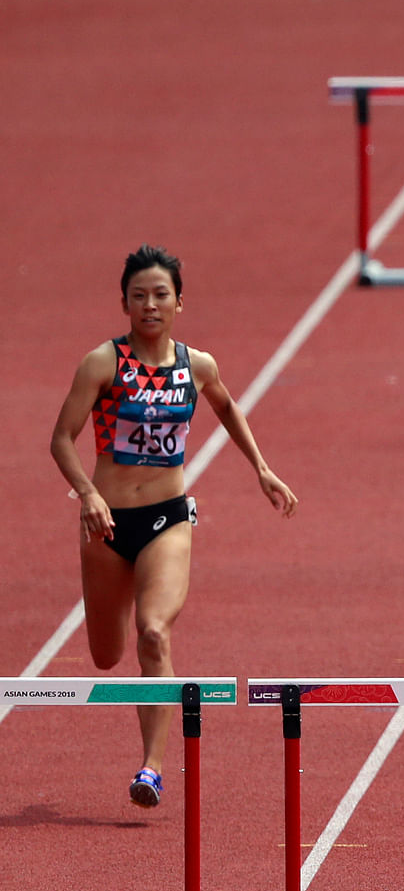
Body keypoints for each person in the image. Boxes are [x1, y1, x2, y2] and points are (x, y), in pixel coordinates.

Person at [49, 246, 297, 806]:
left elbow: (227, 406)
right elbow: (61, 437)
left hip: (168, 519)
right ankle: (146, 745)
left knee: (154, 633)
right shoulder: (102, 364)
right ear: (124, 304)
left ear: (179, 302)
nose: (150, 304)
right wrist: (87, 492)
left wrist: (261, 468)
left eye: (161, 294)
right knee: (107, 656)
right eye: (139, 296)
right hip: (106, 524)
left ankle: (151, 768)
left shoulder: (197, 365)